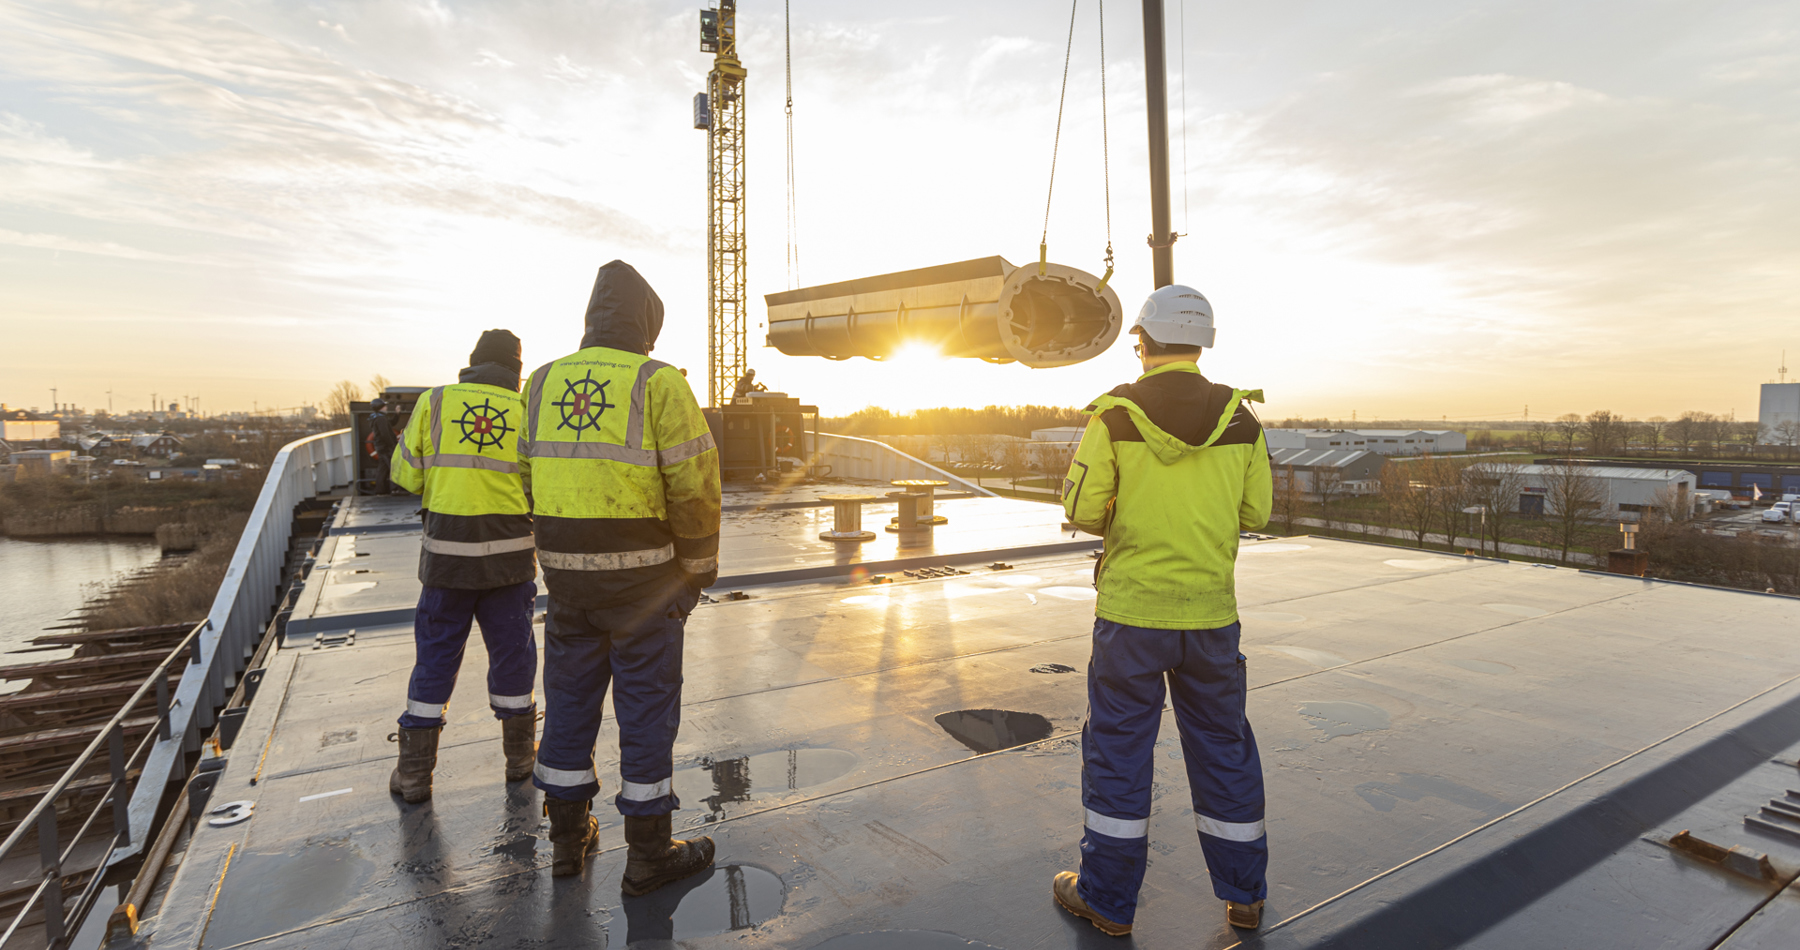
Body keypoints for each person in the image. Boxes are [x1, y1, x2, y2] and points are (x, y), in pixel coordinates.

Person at [1053, 284, 1274, 936]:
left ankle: (1108, 902)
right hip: (1210, 617)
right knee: (1223, 748)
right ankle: (1244, 896)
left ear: (1143, 341)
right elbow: (1256, 512)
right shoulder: (1241, 420)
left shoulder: (1115, 416)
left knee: (1121, 752)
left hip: (1131, 618)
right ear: (1202, 343)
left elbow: (1083, 509)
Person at [522, 261, 722, 889]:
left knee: (569, 706)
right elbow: (695, 486)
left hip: (568, 585)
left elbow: (524, 476)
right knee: (645, 712)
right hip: (644, 584)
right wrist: (695, 572)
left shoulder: (541, 382)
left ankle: (565, 840)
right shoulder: (659, 382)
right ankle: (649, 854)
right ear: (647, 324)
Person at [387, 330, 540, 803]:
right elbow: (541, 481)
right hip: (509, 564)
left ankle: (414, 775)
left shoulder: (434, 403)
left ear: (471, 363)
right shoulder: (525, 411)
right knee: (514, 658)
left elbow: (404, 475)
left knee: (434, 661)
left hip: (446, 564)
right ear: (516, 371)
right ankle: (521, 760)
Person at [367, 396, 399, 495]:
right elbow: (385, 434)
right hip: (386, 448)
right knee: (393, 467)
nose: (386, 408)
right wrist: (393, 445)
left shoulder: (377, 417)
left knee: (383, 469)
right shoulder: (381, 419)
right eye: (384, 406)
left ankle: (380, 490)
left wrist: (397, 413)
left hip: (380, 447)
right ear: (380, 407)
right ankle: (395, 489)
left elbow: (391, 423)